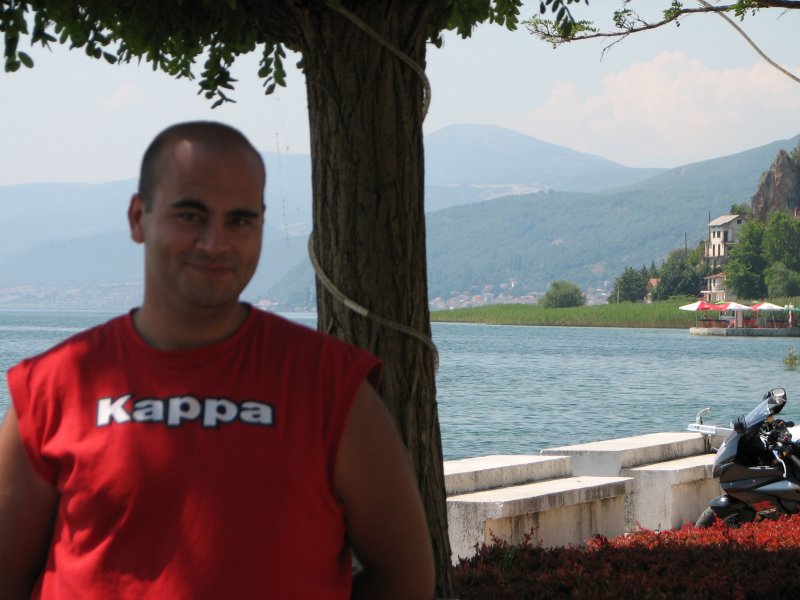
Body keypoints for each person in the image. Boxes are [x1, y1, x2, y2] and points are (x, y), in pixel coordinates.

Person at [0, 121, 435, 599]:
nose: (215, 242)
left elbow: (405, 579)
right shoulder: (51, 388)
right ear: (138, 217)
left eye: (240, 221)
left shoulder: (332, 389)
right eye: (190, 215)